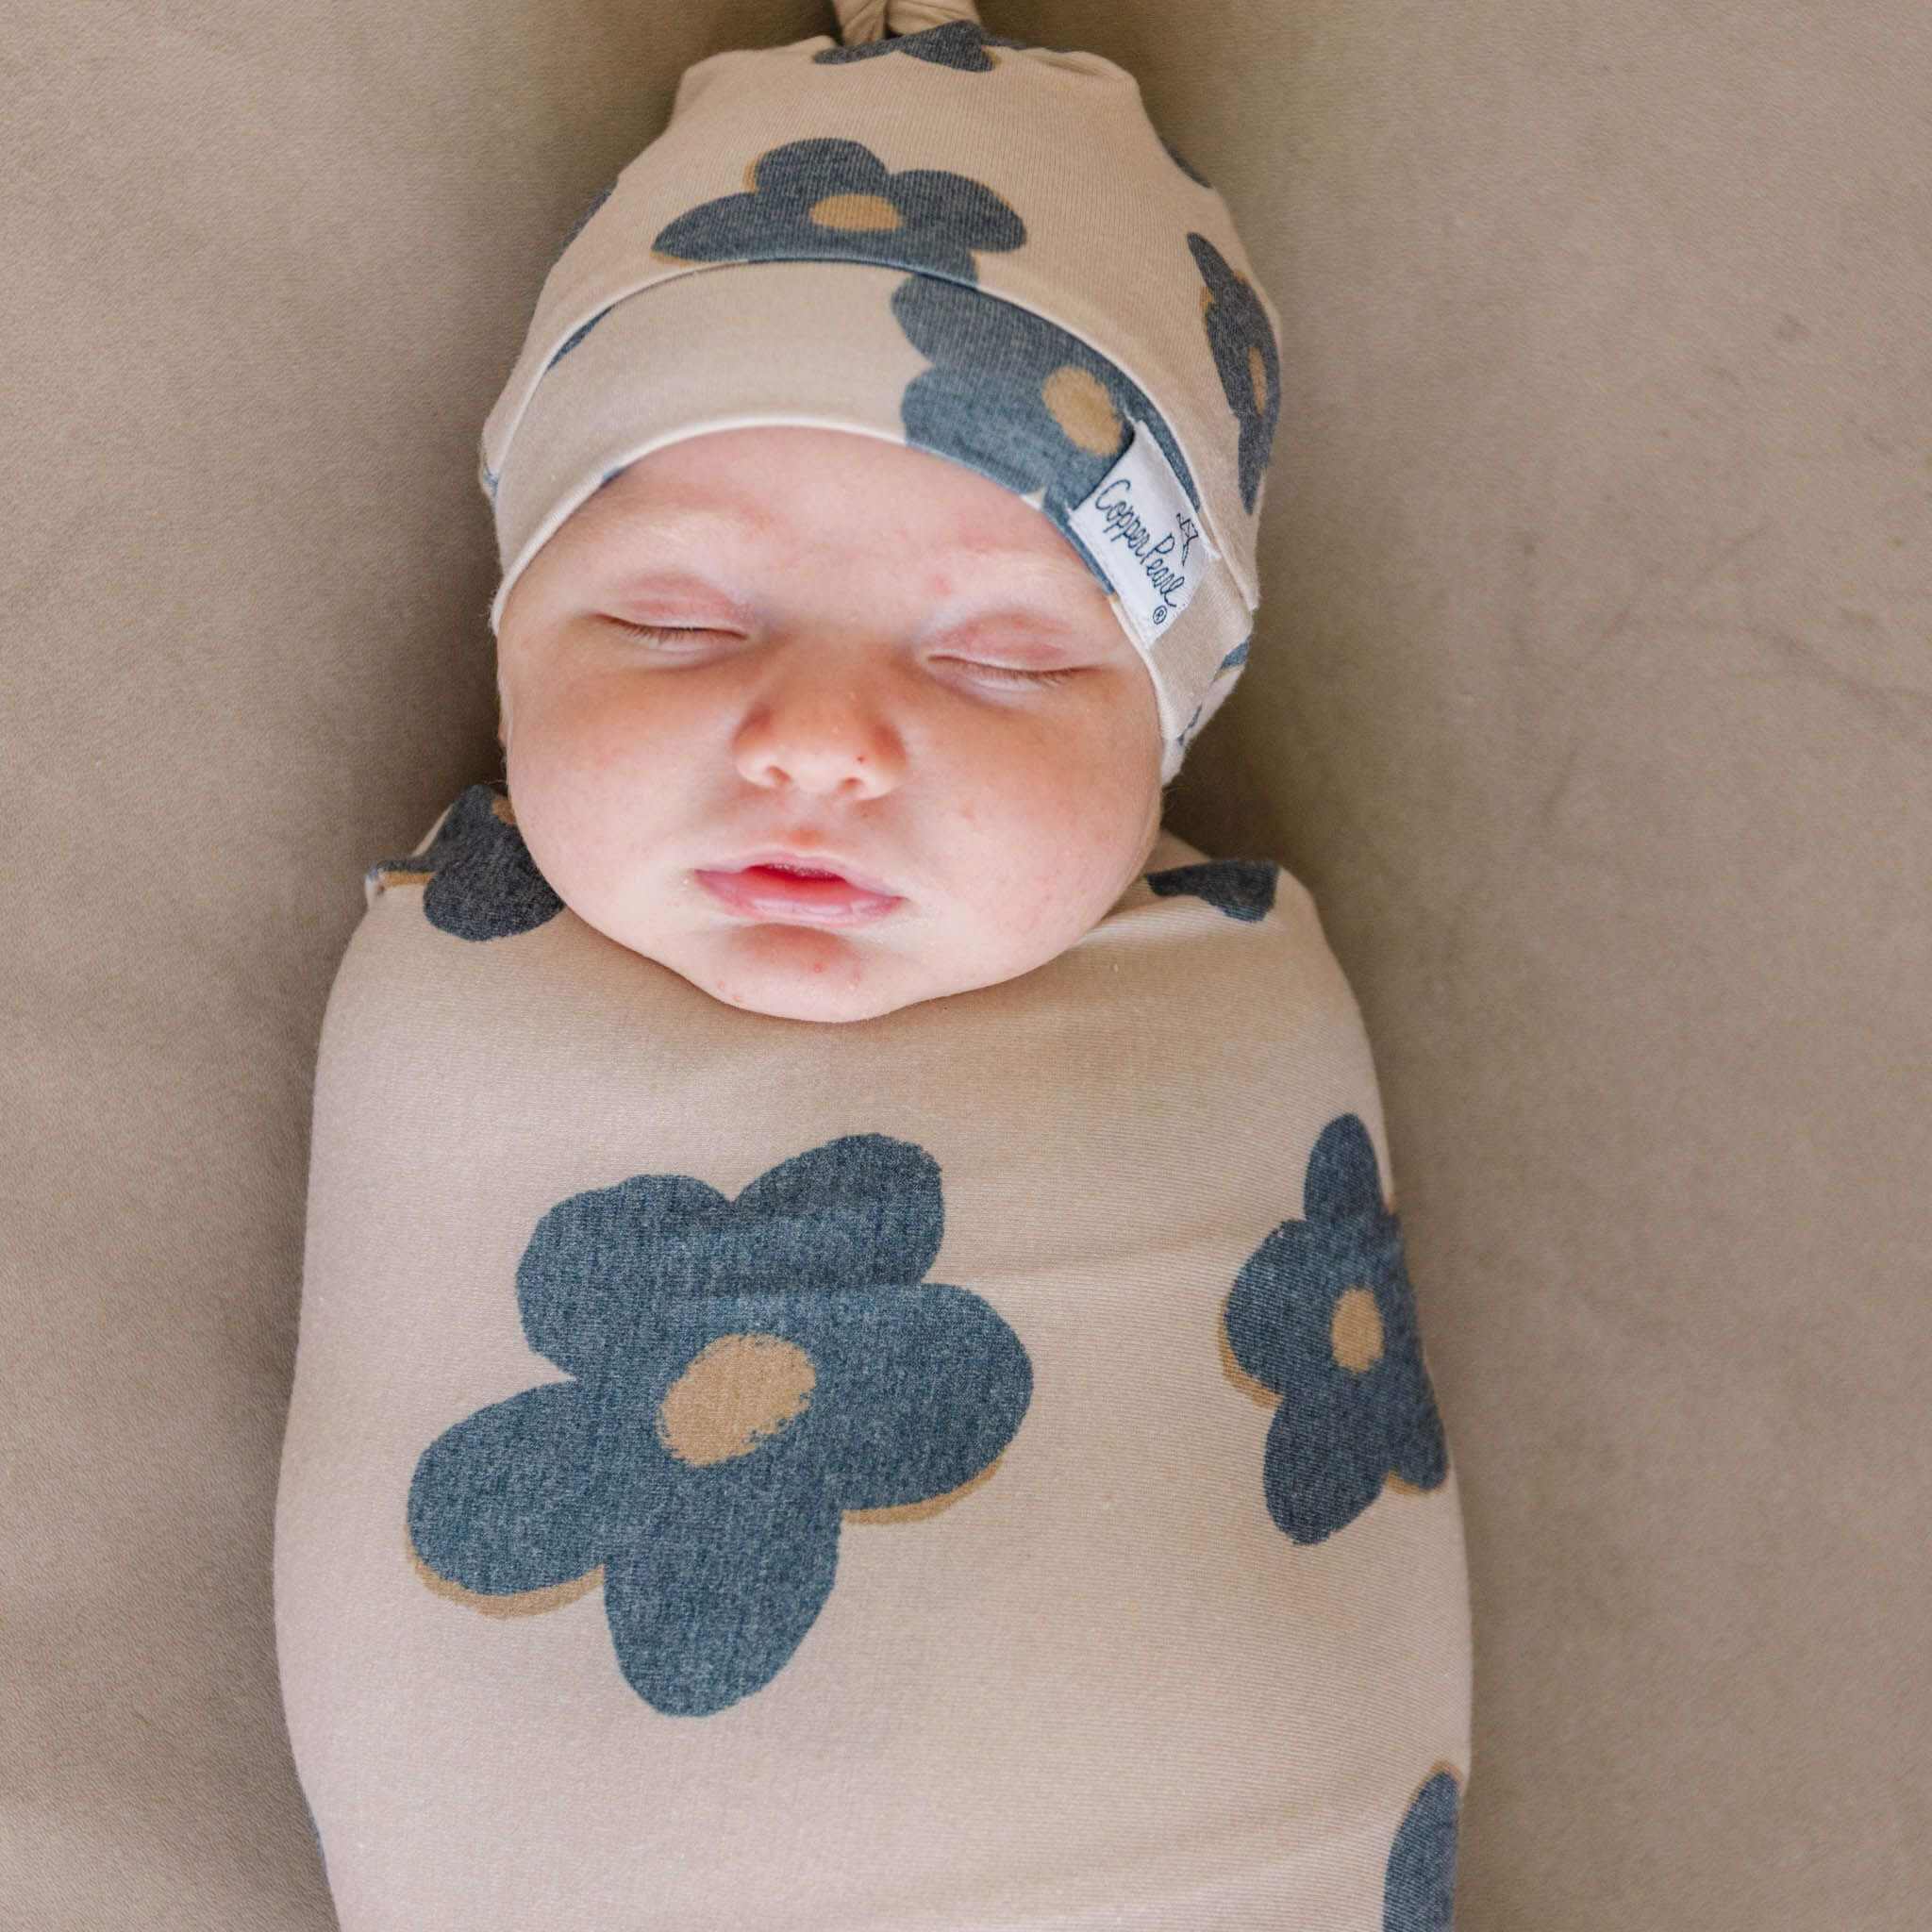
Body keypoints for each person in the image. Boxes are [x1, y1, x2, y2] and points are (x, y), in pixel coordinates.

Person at [275, 5, 1471, 1924]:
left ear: (1163, 728)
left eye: (1001, 658)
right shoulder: (450, 997)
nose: (819, 742)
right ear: (510, 638)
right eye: (672, 623)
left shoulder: (1239, 1012)